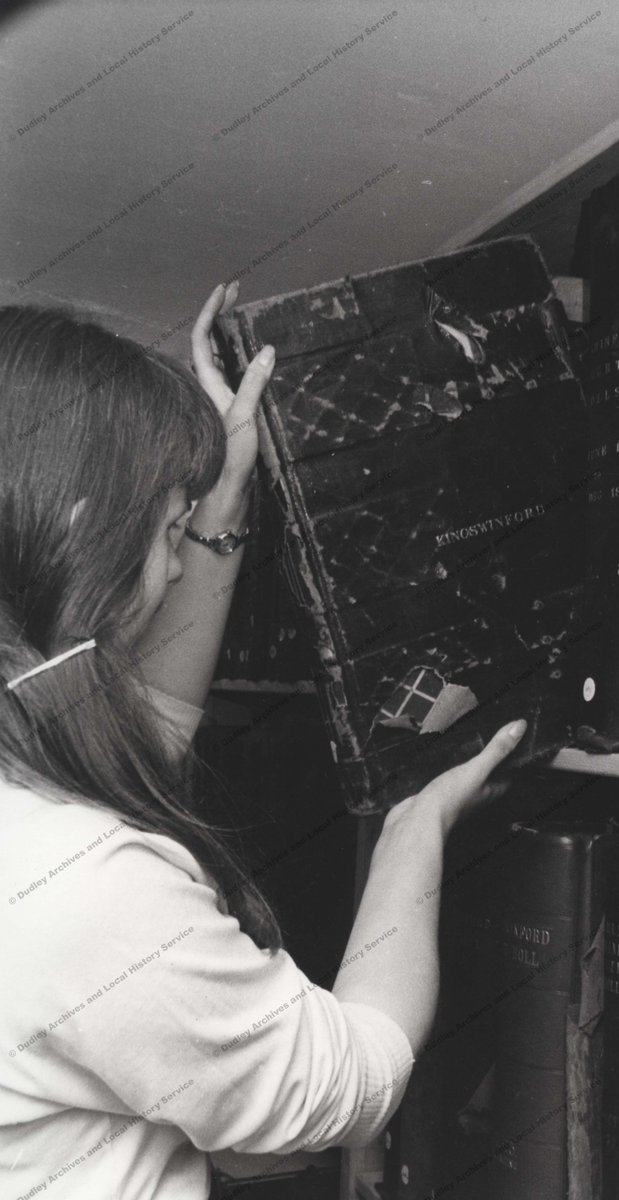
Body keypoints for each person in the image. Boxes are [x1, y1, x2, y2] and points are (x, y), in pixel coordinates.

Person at [0, 282, 526, 1199]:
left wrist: (220, 495)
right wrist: (413, 831)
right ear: (83, 525)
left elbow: (142, 737)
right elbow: (348, 1087)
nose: (174, 566)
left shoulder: (34, 798)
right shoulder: (85, 884)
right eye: (169, 533)